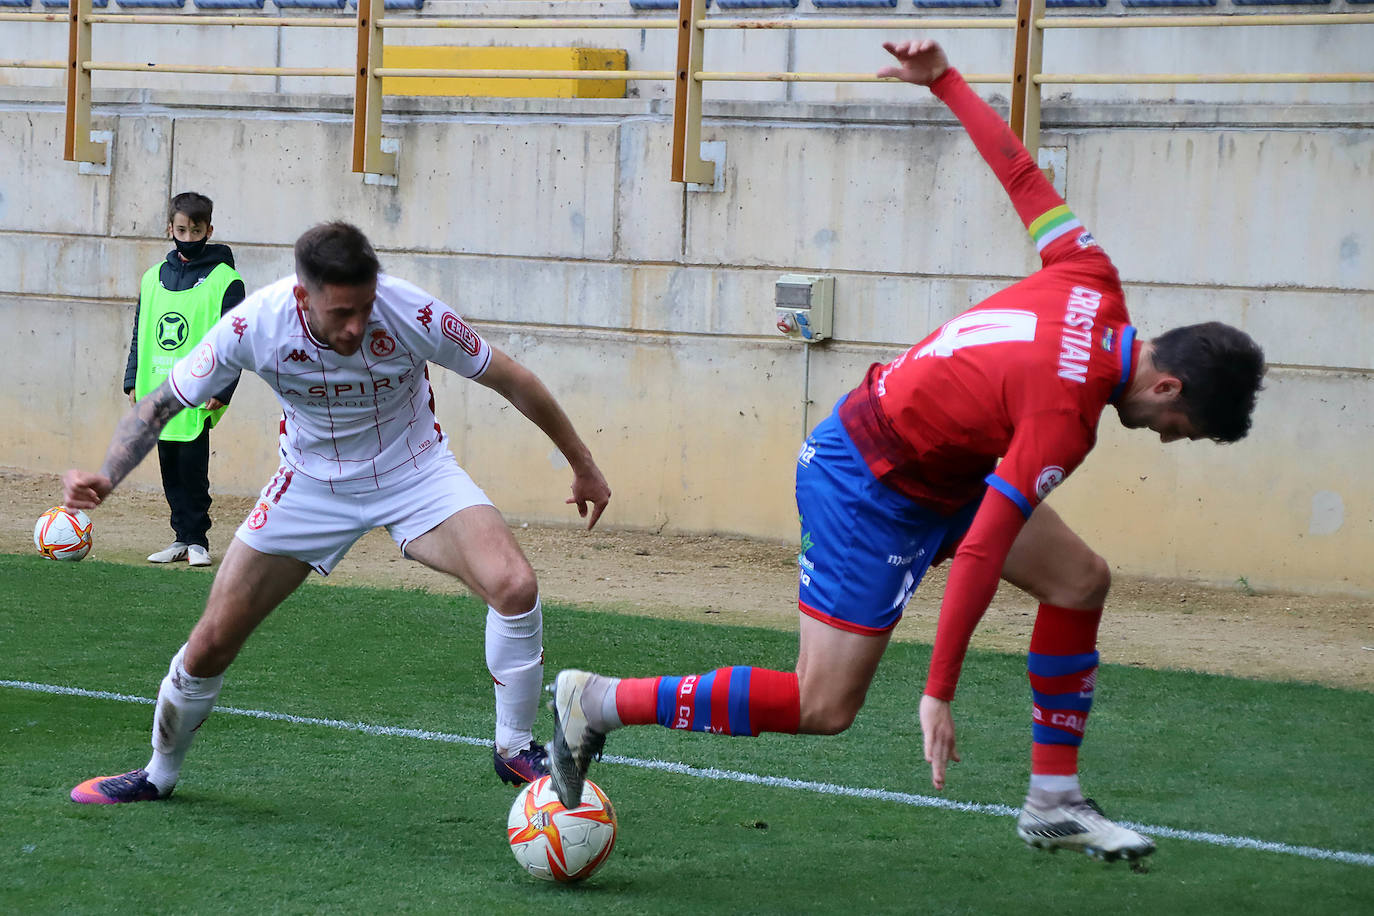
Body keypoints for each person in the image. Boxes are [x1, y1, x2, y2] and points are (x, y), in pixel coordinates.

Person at [549, 38, 1265, 864]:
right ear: (1169, 388)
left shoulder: (1093, 275)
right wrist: (938, 691)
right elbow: (986, 546)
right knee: (825, 705)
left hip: (939, 471)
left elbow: (1025, 184)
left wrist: (946, 83)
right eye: (1184, 431)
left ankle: (1053, 800)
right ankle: (597, 700)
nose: (1172, 442)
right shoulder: (1066, 417)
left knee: (1079, 580)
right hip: (867, 481)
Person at [64, 221, 611, 804]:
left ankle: (514, 749)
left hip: (415, 471)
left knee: (515, 585)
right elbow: (162, 404)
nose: (358, 325)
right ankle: (157, 774)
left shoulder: (411, 312)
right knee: (211, 642)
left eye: (365, 307)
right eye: (342, 312)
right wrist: (109, 473)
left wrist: (584, 464)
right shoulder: (254, 326)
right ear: (304, 297)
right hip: (309, 486)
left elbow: (512, 378)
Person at [125, 192, 246, 568]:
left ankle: (198, 540)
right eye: (181, 230)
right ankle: (180, 537)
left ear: (209, 230)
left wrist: (223, 389)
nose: (189, 237)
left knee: (193, 468)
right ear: (170, 229)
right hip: (159, 390)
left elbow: (236, 340)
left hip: (197, 393)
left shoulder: (227, 281)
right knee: (169, 467)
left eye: (196, 230)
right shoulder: (152, 278)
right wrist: (132, 378)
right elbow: (141, 331)